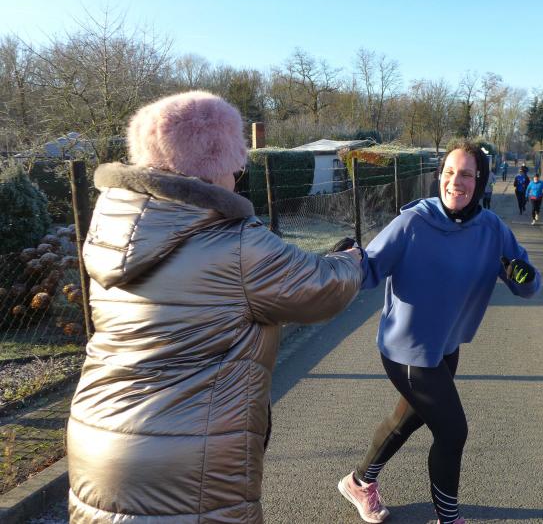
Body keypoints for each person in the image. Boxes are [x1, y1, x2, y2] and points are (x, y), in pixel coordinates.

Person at [66, 91, 364, 523]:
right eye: (233, 162)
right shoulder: (236, 244)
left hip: (98, 437)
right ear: (211, 164)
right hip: (186, 457)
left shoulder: (115, 232)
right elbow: (322, 288)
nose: (238, 174)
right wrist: (350, 260)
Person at [337, 140, 541, 524]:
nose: (455, 182)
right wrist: (346, 260)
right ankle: (448, 518)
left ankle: (359, 482)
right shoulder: (413, 223)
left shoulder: (491, 229)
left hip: (446, 345)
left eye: (466, 174)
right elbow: (369, 271)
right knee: (452, 431)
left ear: (479, 181)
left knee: (407, 419)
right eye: (449, 172)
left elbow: (526, 285)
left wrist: (523, 276)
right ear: (439, 176)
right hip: (406, 350)